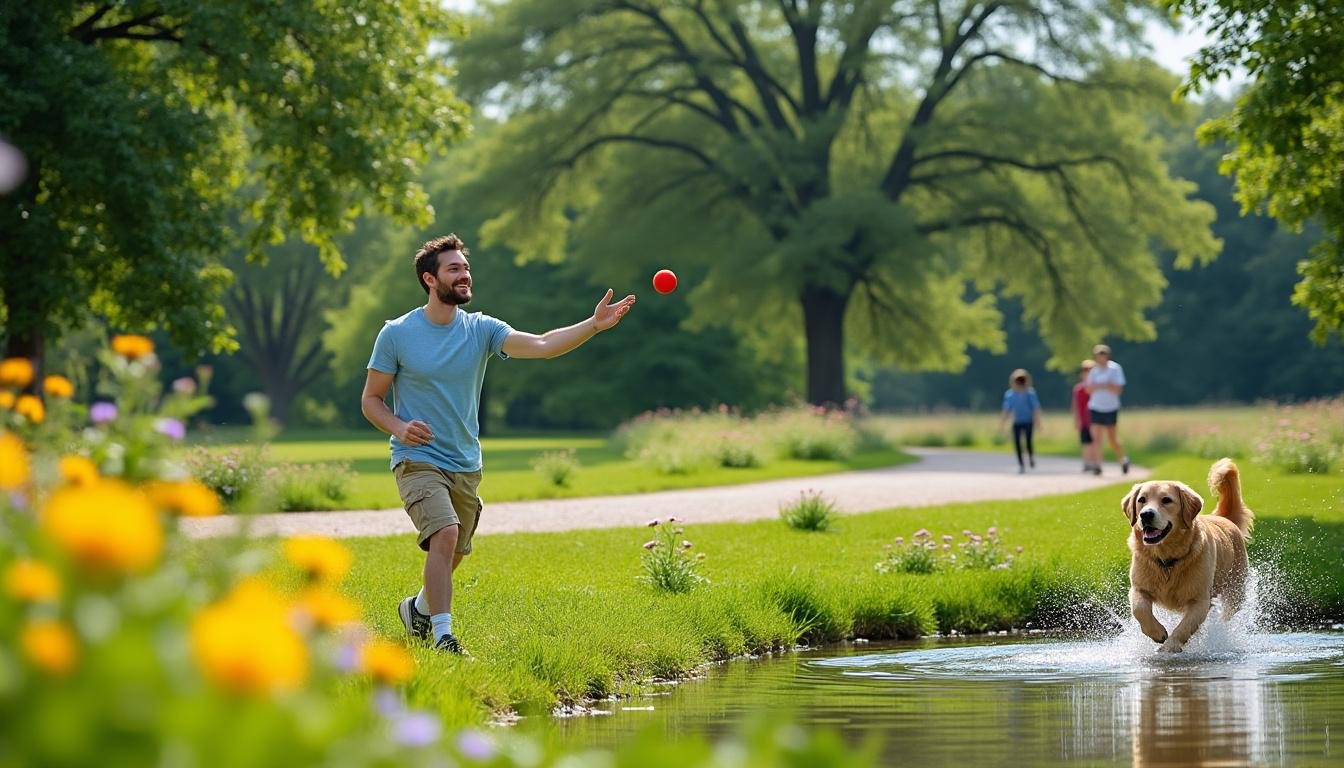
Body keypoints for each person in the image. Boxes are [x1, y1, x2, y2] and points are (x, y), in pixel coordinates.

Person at [360, 234, 636, 654]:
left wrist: (594, 325)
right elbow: (371, 399)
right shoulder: (397, 334)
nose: (465, 275)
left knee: (453, 549)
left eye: (466, 268)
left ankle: (416, 608)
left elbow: (543, 345)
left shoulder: (481, 330)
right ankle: (442, 637)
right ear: (430, 280)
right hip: (416, 458)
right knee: (446, 532)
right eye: (454, 269)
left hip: (465, 461)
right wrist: (398, 427)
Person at [1085, 344, 1129, 474]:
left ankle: (1123, 460)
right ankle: (1098, 465)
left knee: (1112, 438)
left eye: (1103, 355)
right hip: (1096, 406)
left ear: (1107, 356)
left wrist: (1104, 385)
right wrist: (1103, 385)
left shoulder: (1115, 369)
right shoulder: (1094, 371)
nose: (1100, 358)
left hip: (1110, 407)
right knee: (1096, 437)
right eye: (1098, 355)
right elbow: (1088, 389)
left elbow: (1118, 389)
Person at [999, 368, 1041, 474]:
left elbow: (1035, 408)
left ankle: (1030, 457)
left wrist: (1038, 422)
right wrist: (1002, 423)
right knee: (1017, 443)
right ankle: (1021, 464)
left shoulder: (1030, 393)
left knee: (1028, 441)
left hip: (1028, 421)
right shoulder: (1010, 394)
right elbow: (1006, 409)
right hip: (1017, 421)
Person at [1074, 360, 1102, 475]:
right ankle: (1087, 463)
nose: (1088, 373)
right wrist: (1076, 420)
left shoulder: (1096, 388)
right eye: (1085, 371)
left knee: (1096, 441)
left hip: (1095, 419)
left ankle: (1096, 462)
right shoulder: (1079, 389)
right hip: (1084, 420)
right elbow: (1075, 405)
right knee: (1086, 442)